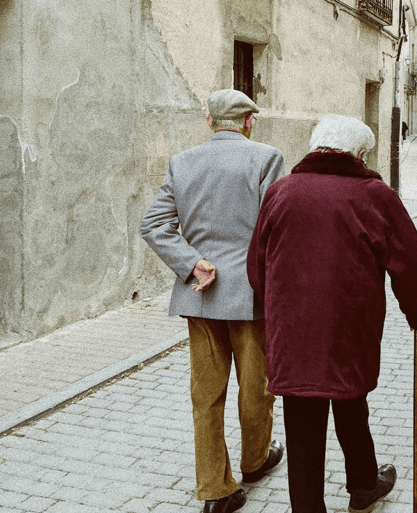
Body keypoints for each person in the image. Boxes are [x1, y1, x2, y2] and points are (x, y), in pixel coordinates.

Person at [246, 114, 417, 513]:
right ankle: (364, 488)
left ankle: (315, 504)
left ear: (315, 147)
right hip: (349, 328)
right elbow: (412, 263)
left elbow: (256, 265)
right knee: (352, 403)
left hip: (293, 332)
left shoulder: (281, 192)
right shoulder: (374, 195)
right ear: (361, 153)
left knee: (301, 422)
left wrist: (280, 307)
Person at [140, 89, 286, 513]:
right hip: (251, 295)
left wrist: (191, 264)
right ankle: (255, 460)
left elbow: (153, 225)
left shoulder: (182, 162)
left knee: (205, 395)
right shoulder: (267, 157)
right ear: (248, 121)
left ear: (208, 120)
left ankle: (216, 491)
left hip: (200, 294)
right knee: (256, 387)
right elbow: (274, 227)